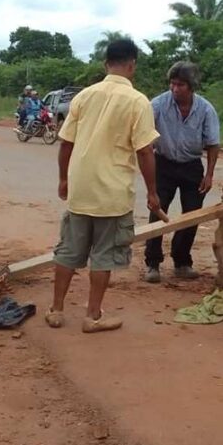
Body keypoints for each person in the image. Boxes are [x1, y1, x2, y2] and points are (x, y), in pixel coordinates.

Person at [46, 39, 161, 333]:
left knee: (68, 251)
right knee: (104, 256)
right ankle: (92, 316)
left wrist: (63, 179)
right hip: (113, 194)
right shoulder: (138, 101)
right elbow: (145, 151)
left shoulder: (84, 96)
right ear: (132, 65)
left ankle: (57, 310)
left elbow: (66, 144)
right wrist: (152, 192)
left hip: (81, 189)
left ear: (105, 63)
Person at [143, 61, 220, 283]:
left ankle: (182, 261)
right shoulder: (156, 105)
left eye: (181, 85)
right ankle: (153, 263)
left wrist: (209, 174)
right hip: (163, 163)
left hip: (191, 165)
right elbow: (144, 136)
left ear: (192, 86)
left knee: (192, 214)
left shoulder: (205, 109)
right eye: (172, 84)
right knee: (157, 208)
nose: (175, 89)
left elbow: (213, 143)